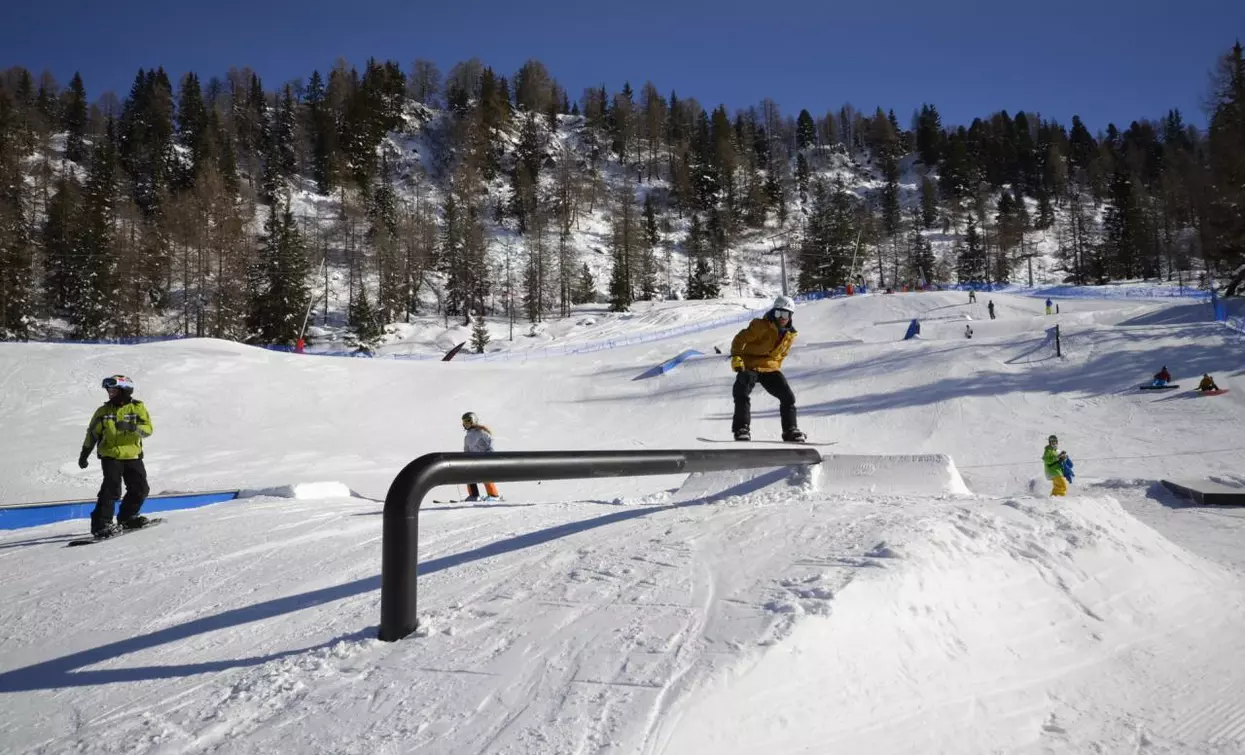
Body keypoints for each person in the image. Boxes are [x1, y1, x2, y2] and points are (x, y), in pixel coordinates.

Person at [78, 375, 154, 538]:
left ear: (125, 390)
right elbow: (92, 434)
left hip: (133, 455)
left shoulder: (137, 408)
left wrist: (132, 427)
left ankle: (127, 518)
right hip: (111, 456)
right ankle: (101, 525)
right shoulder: (103, 411)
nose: (110, 393)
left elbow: (148, 430)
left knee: (140, 489)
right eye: (109, 390)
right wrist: (84, 454)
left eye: (113, 390)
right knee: (111, 490)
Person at [730, 295, 804, 442]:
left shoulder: (790, 335)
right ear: (773, 312)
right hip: (750, 364)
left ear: (790, 316)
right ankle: (741, 428)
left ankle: (790, 430)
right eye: (779, 313)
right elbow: (740, 339)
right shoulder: (760, 325)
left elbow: (782, 355)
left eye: (786, 314)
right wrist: (736, 357)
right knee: (741, 390)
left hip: (770, 368)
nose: (782, 318)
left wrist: (775, 367)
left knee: (788, 397)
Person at [461, 412, 501, 502]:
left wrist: (489, 453)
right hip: (472, 460)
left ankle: (493, 495)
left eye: (468, 421)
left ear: (473, 421)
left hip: (483, 458)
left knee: (485, 476)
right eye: (464, 422)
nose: (466, 424)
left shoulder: (481, 432)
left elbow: (490, 441)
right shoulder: (467, 436)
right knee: (469, 476)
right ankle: (474, 495)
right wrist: (465, 458)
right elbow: (466, 449)